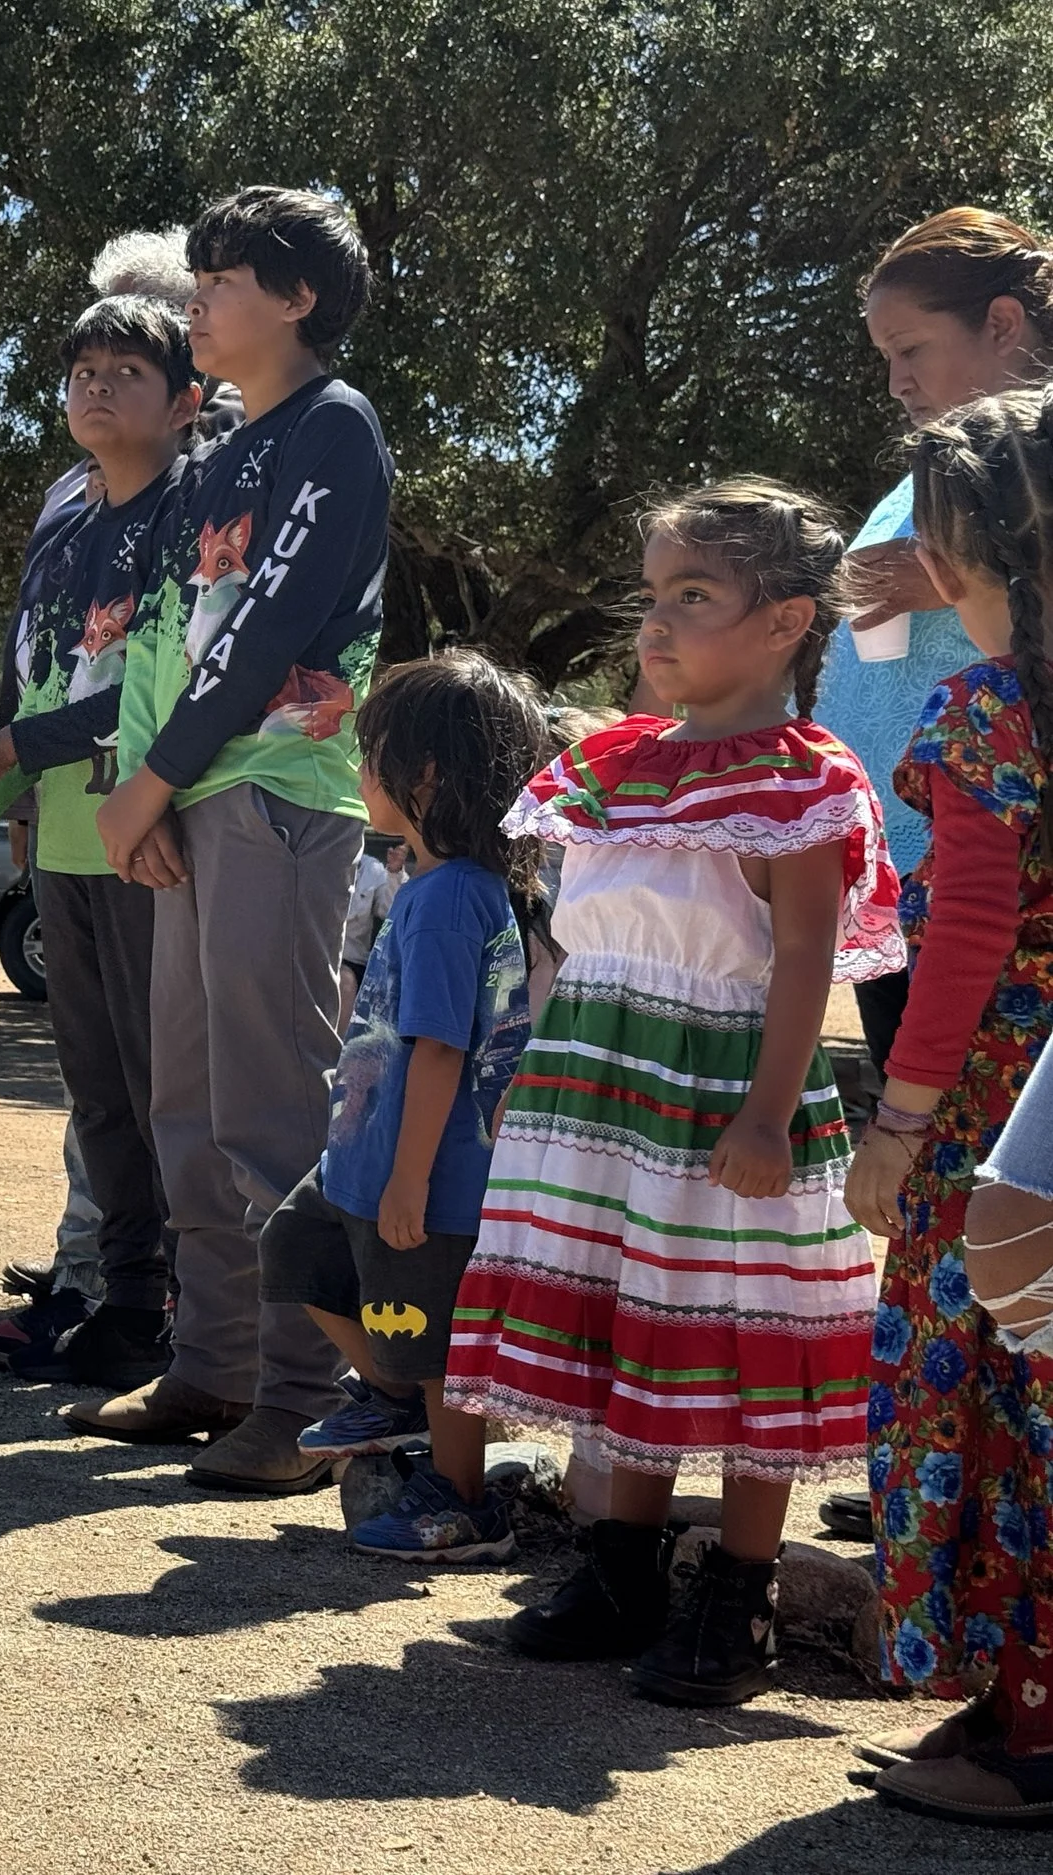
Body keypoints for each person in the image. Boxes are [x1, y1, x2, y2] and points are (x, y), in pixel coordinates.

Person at [444, 483, 900, 1706]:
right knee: (615, 1320)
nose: (656, 623)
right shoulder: (606, 766)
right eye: (652, 597)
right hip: (594, 1094)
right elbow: (570, 944)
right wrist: (534, 1074)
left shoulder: (802, 779)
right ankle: (617, 1572)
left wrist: (764, 1113)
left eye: (692, 597)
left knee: (736, 1330)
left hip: (720, 1101)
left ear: (783, 621)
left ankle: (736, 1600)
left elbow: (802, 957)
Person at [76, 186, 389, 1493]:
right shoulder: (222, 455)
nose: (194, 300)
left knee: (268, 1104)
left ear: (299, 298)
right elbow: (173, 632)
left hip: (277, 791)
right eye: (193, 277)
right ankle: (211, 1361)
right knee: (186, 1100)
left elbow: (270, 629)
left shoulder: (333, 427)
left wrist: (148, 785)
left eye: (222, 279)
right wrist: (147, 787)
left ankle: (302, 1397)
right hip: (196, 792)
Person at [838, 388, 1053, 1821]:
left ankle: (1030, 1723)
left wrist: (899, 1122)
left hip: (997, 1120)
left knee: (996, 1392)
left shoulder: (989, 708)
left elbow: (966, 936)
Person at [0, 293, 202, 1387]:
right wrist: (19, 784)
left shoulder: (190, 517)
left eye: (124, 370)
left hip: (153, 834)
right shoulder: (68, 522)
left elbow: (150, 678)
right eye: (82, 367)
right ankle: (121, 1304)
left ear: (184, 402)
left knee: (161, 1087)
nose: (94, 384)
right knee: (98, 1091)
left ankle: (189, 1312)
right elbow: (44, 669)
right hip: (72, 837)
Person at [261, 652, 547, 1562]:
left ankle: (461, 1497)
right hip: (370, 1160)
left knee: (435, 1346)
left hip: (425, 1177)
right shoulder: (428, 884)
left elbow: (441, 1048)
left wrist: (411, 1180)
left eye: (372, 754)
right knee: (295, 1244)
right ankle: (384, 1389)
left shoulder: (451, 898)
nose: (359, 772)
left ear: (425, 775)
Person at [835, 211, 1053, 1071]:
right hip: (902, 876)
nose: (895, 381)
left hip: (1004, 879)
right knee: (926, 1171)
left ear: (1001, 323)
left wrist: (956, 576)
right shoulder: (935, 471)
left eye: (911, 348)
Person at [337, 838, 403, 1034]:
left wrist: (394, 873)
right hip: (310, 951)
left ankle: (334, 1056)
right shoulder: (315, 859)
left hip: (350, 959)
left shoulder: (373, 869)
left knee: (344, 982)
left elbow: (389, 912)